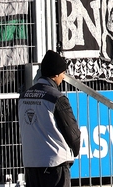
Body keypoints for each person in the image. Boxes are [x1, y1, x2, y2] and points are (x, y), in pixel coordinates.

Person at [18, 50, 80, 187]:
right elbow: (72, 131)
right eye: (63, 73)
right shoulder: (57, 98)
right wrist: (75, 150)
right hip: (55, 166)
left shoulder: (23, 97)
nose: (63, 77)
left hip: (31, 165)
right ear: (56, 74)